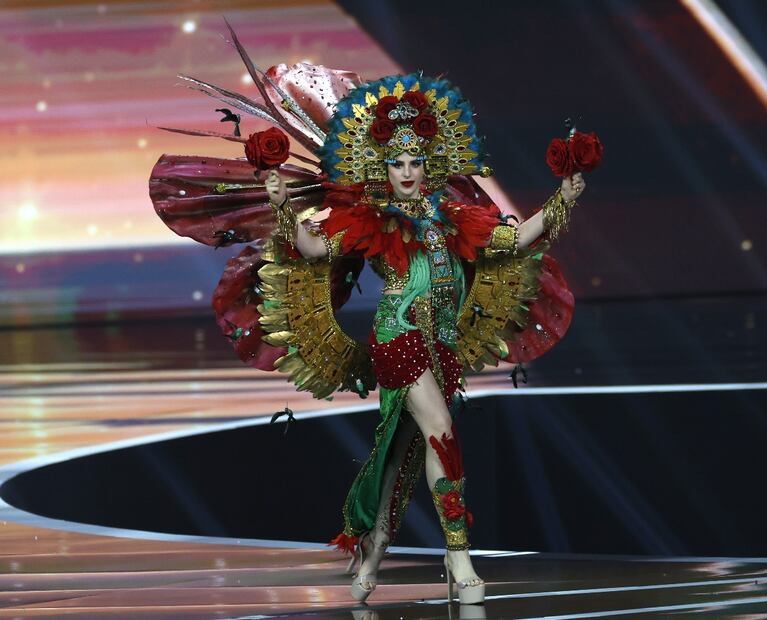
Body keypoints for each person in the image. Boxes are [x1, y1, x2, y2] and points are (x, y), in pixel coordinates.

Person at [149, 33, 584, 605]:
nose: (407, 171)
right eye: (397, 161)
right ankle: (460, 559)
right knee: (442, 436)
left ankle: (371, 552)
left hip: (443, 344)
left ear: (431, 165)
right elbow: (310, 249)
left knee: (401, 455)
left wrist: (565, 196)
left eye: (416, 161)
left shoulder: (454, 217)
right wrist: (283, 206)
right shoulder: (370, 218)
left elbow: (515, 239)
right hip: (398, 339)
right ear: (383, 165)